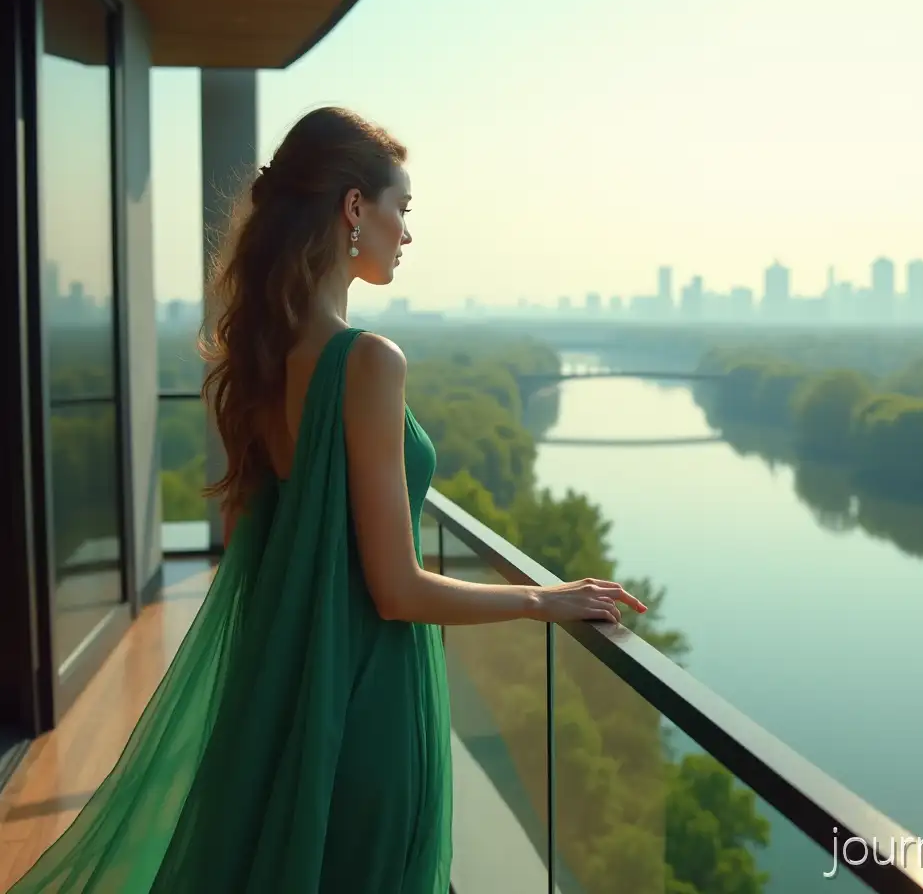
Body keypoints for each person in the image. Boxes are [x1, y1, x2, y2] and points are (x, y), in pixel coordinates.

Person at [6, 106, 646, 893]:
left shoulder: (257, 361)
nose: (407, 234)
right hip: (368, 698)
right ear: (354, 208)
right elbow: (397, 588)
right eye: (401, 209)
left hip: (292, 694)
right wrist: (546, 598)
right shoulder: (367, 362)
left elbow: (255, 552)